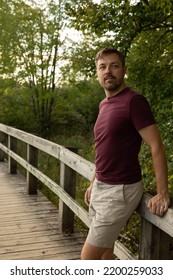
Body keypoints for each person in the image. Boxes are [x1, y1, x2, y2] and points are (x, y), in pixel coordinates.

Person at [80, 48, 170, 260]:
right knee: (104, 254)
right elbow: (103, 147)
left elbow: (156, 146)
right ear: (97, 73)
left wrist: (162, 192)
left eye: (114, 66)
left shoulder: (133, 101)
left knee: (87, 259)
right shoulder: (104, 104)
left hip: (120, 190)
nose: (108, 71)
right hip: (102, 187)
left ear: (124, 70)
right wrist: (94, 182)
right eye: (102, 67)